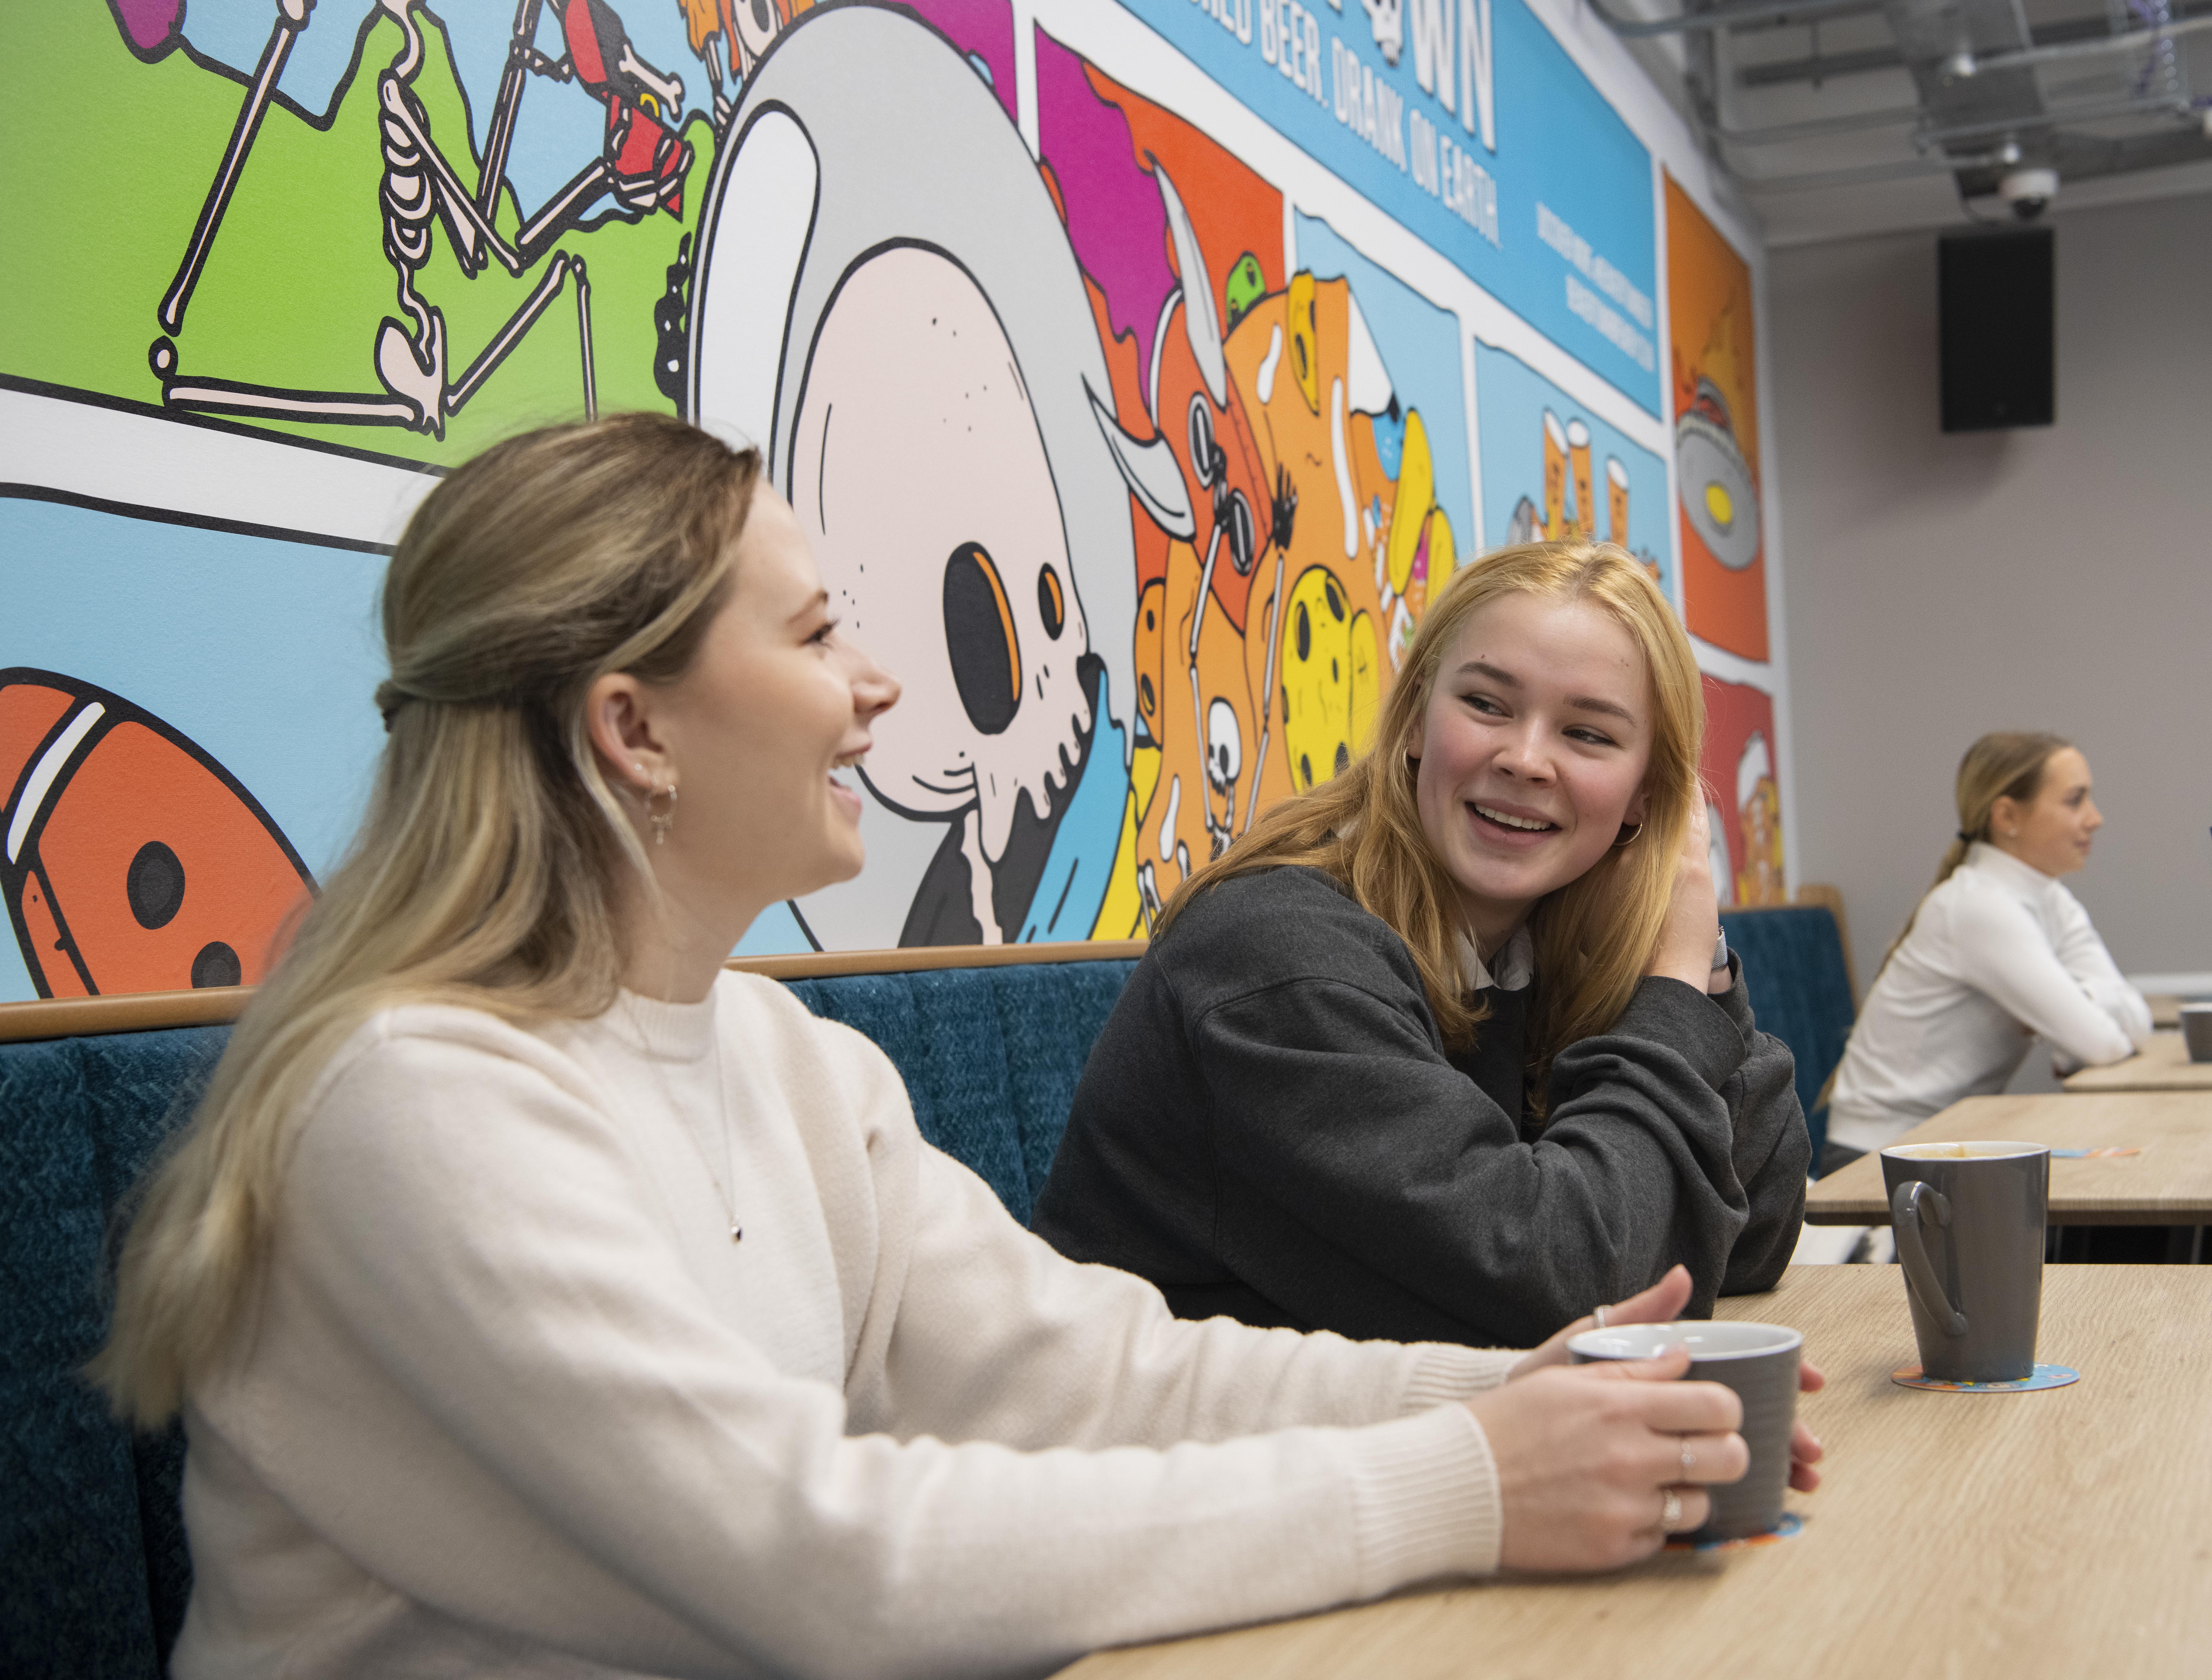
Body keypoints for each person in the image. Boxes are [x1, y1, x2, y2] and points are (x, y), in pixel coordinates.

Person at [90, 418, 1822, 1680]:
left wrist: (1535, 1398)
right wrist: (1466, 1481)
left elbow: (1114, 1378)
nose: (879, 691)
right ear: (636, 730)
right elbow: (825, 1565)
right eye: (816, 633)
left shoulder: (790, 1062)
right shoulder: (410, 1103)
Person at [1032, 541, 1809, 1350]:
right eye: (1487, 704)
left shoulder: (1543, 944)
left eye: (1588, 734)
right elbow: (1573, 1295)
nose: (1525, 758)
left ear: (1647, 799)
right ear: (1412, 722)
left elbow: (1752, 1231)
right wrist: (1676, 994)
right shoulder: (1276, 958)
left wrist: (1697, 946)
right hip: (1164, 1465)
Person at [1824, 732, 2149, 1170]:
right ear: (2008, 816)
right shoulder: (1978, 907)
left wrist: (2088, 1003)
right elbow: (2104, 1044)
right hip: (1881, 1159)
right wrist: (2097, 1007)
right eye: (2075, 801)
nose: (2096, 819)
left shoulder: (2048, 898)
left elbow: (2138, 1023)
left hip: (1945, 1149)